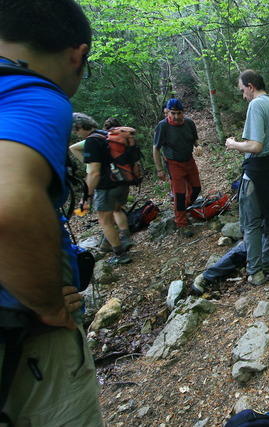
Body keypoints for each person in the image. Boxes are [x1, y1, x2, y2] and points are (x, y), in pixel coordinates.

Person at [0, 0, 102, 424]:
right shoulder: (33, 91)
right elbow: (9, 203)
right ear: (77, 55)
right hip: (23, 336)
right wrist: (48, 304)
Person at [226, 70, 269, 286]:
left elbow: (255, 146)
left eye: (243, 91)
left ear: (250, 86)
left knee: (251, 223)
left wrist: (234, 144)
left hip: (257, 171)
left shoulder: (256, 105)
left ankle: (255, 271)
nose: (243, 96)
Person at [73, 112, 134, 263]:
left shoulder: (91, 142)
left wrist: (86, 196)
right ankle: (125, 238)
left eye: (75, 130)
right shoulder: (105, 134)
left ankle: (120, 255)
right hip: (122, 182)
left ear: (80, 127)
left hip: (106, 187)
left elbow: (94, 173)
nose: (75, 133)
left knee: (105, 221)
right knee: (117, 210)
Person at [153, 98, 202, 236]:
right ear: (168, 112)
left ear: (183, 112)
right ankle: (181, 223)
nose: (176, 116)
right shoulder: (163, 126)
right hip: (173, 163)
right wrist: (159, 169)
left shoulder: (189, 123)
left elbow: (195, 139)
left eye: (179, 113)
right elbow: (156, 149)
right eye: (172, 113)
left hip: (189, 160)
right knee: (179, 194)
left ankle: (184, 208)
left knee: (196, 188)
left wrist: (198, 146)